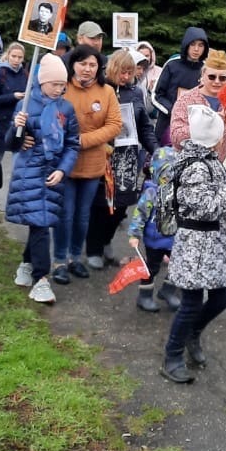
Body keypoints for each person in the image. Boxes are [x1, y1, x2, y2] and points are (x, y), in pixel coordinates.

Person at [160, 105, 226, 383]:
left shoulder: (210, 161)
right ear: (213, 138)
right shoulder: (195, 167)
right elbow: (206, 207)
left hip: (213, 247)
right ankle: (172, 355)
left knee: (221, 298)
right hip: (196, 247)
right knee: (190, 302)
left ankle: (193, 333)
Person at [5, 53, 80, 304]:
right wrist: (18, 127)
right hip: (29, 172)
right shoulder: (25, 104)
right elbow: (11, 143)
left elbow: (72, 143)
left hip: (52, 172)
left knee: (41, 222)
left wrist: (63, 169)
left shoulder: (66, 108)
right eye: (54, 84)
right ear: (42, 82)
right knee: (40, 224)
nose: (59, 89)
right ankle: (41, 279)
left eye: (62, 84)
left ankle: (26, 264)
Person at [85, 49, 157, 276]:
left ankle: (107, 240)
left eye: (130, 72)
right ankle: (93, 248)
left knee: (121, 205)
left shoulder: (135, 93)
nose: (126, 77)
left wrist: (155, 150)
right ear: (113, 69)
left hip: (127, 158)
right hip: (102, 155)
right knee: (100, 205)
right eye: (122, 72)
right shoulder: (99, 89)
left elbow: (144, 126)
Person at [54, 45, 121, 284]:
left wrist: (84, 140)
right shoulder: (62, 88)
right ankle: (60, 260)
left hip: (93, 164)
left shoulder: (107, 91)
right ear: (73, 64)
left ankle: (75, 257)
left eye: (92, 65)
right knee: (65, 214)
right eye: (82, 63)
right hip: (65, 164)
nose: (87, 69)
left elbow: (114, 125)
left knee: (83, 216)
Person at [127, 146, 180, 312]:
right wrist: (134, 233)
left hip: (174, 238)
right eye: (165, 173)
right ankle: (144, 296)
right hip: (154, 240)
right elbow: (139, 214)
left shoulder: (179, 192)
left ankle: (168, 290)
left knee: (179, 265)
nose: (169, 177)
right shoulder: (151, 192)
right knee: (151, 268)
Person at [170, 48, 226, 159]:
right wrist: (208, 124)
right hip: (192, 168)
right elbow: (176, 136)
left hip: (221, 168)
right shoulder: (186, 100)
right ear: (203, 75)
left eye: (222, 78)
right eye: (212, 77)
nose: (217, 81)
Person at [0, 42, 28, 204]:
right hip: (0, 121)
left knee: (20, 158)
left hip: (18, 122)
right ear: (8, 55)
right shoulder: (0, 73)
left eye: (20, 57)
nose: (16, 60)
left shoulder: (25, 74)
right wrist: (13, 96)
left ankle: (18, 195)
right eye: (14, 56)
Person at [153, 27, 208, 145]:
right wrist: (174, 110)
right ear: (186, 44)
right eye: (193, 44)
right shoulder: (172, 65)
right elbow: (156, 95)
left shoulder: (207, 70)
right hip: (166, 126)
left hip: (194, 132)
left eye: (201, 45)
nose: (196, 49)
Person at [136, 41, 162, 119]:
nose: (144, 58)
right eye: (141, 55)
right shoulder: (133, 72)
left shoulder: (160, 71)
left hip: (155, 111)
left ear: (151, 56)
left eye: (147, 55)